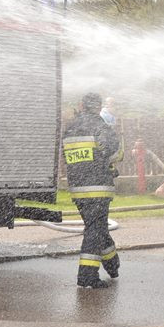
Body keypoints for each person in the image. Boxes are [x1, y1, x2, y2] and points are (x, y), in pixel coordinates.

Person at [62, 92, 123, 288]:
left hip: (77, 188)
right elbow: (115, 153)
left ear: (81, 105)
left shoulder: (70, 129)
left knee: (97, 228)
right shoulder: (100, 126)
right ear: (98, 107)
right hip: (98, 188)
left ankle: (113, 265)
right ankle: (87, 277)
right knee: (95, 230)